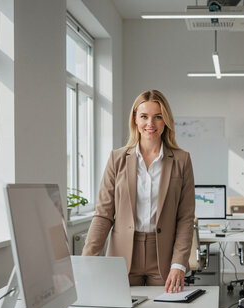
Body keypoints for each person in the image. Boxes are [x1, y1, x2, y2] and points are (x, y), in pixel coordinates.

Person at [82, 90, 195, 293]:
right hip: (122, 257)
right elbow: (103, 215)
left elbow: (185, 218)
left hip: (164, 258)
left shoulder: (182, 160)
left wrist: (179, 263)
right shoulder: (117, 159)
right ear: (135, 119)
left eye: (158, 117)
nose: (150, 123)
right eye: (144, 116)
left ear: (166, 121)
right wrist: (87, 260)